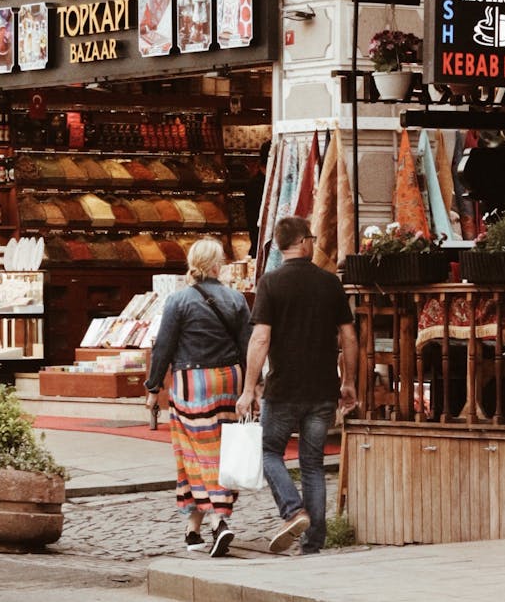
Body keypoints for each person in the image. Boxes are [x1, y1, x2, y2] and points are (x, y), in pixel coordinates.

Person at [236, 216, 358, 555]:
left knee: (270, 451)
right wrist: (348, 381)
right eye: (312, 238)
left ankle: (292, 511)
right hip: (322, 388)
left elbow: (260, 338)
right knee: (313, 463)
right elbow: (348, 336)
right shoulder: (329, 283)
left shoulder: (271, 283)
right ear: (303, 242)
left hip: (284, 386)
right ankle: (313, 543)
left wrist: (248, 389)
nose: (314, 243)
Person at [145, 238, 251, 558]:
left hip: (192, 382)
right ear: (218, 265)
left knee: (195, 455)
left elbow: (163, 347)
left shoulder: (178, 301)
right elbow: (248, 347)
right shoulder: (236, 299)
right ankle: (193, 530)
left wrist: (153, 388)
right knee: (224, 452)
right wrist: (252, 389)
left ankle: (220, 521)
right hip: (230, 379)